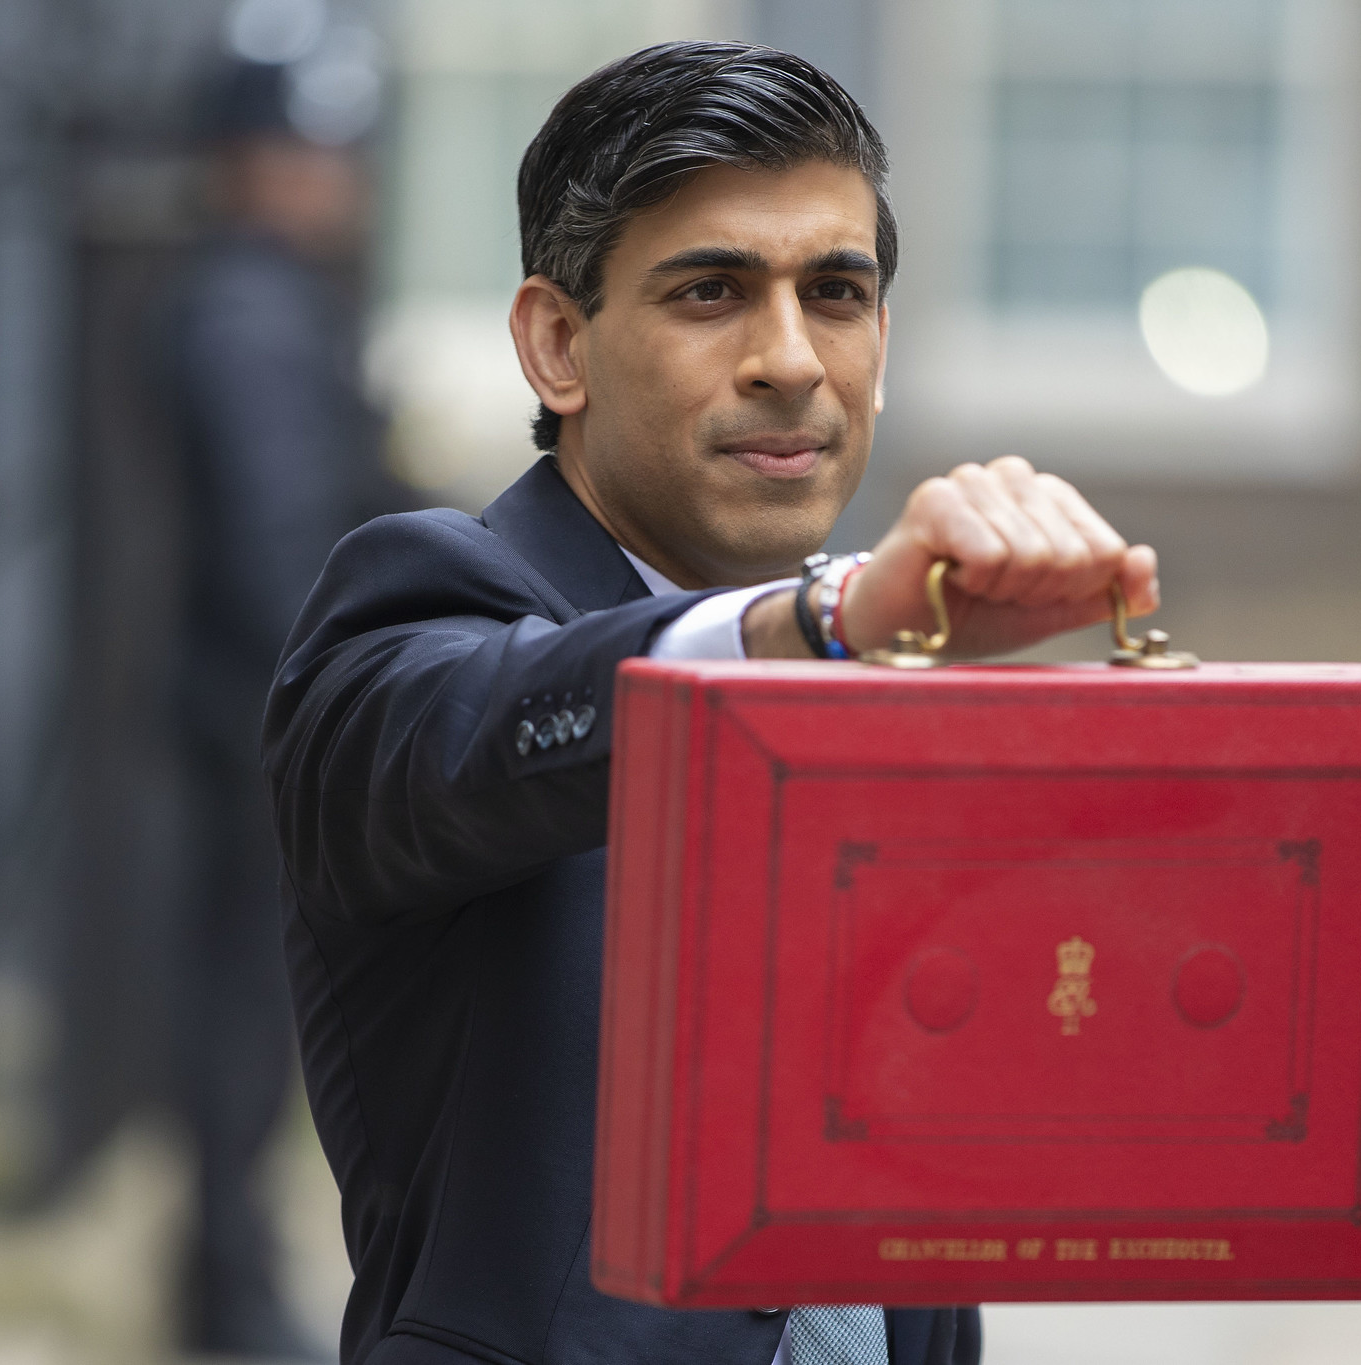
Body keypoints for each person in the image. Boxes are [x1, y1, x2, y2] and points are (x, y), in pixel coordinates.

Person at [264, 42, 1159, 1365]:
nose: (789, 359)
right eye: (711, 291)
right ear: (558, 343)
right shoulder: (422, 604)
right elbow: (478, 733)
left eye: (836, 292)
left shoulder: (882, 672)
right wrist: (820, 626)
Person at [159, 58, 394, 1360]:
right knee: (247, 1019)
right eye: (308, 153)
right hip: (267, 719)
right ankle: (228, 1296)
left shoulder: (267, 303)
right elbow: (282, 549)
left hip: (261, 710)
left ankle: (227, 1285)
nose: (335, 179)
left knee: (252, 1012)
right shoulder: (249, 317)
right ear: (247, 164)